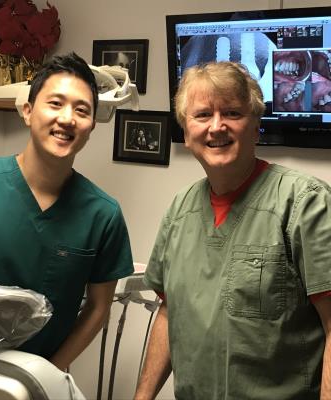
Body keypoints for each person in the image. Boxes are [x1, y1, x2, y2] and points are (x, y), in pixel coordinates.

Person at [134, 62, 331, 399]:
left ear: (255, 127)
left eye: (232, 113)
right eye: (202, 115)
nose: (217, 126)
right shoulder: (180, 210)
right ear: (186, 132)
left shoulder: (305, 203)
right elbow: (168, 312)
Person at [0, 52, 134, 371]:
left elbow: (98, 308)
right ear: (27, 111)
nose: (67, 118)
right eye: (55, 103)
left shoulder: (102, 215)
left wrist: (50, 372)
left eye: (81, 110)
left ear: (92, 126)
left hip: (39, 375)